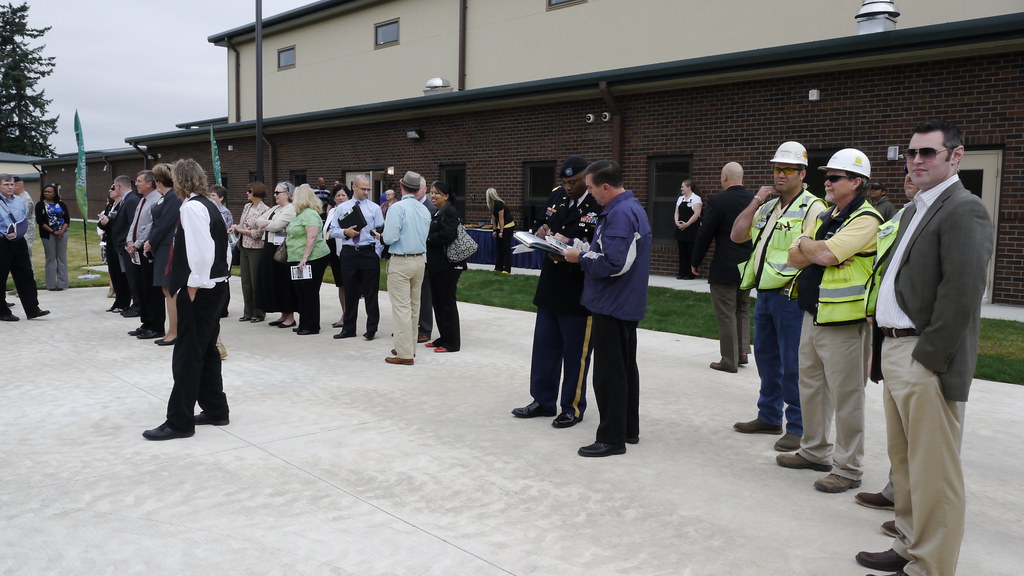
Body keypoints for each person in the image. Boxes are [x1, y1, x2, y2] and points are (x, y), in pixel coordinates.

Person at [855, 120, 993, 576]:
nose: (916, 160)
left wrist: (928, 358)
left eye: (928, 153)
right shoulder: (914, 210)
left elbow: (962, 294)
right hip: (897, 350)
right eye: (912, 153)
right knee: (906, 463)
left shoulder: (963, 209)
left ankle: (931, 565)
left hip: (925, 357)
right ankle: (908, 545)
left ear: (956, 157)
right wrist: (884, 346)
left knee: (935, 471)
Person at [776, 148, 882, 494]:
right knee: (812, 387)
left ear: (856, 182)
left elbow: (825, 254)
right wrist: (812, 247)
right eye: (828, 175)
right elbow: (794, 259)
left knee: (847, 396)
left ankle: (849, 468)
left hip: (845, 322)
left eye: (835, 177)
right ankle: (814, 450)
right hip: (814, 312)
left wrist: (809, 244)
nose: (828, 181)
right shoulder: (828, 217)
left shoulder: (866, 219)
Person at [730, 141, 827, 453]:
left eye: (787, 169)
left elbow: (814, 251)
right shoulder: (769, 206)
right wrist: (757, 198)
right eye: (777, 168)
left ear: (802, 173)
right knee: (767, 360)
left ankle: (798, 428)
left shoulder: (813, 207)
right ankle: (769, 416)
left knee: (794, 365)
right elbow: (737, 234)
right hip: (766, 295)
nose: (780, 174)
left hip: (792, 297)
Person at [563, 160, 652, 457]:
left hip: (613, 303)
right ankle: (628, 428)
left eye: (590, 188)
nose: (589, 194)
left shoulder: (621, 213)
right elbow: (616, 254)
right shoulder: (628, 209)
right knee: (625, 368)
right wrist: (588, 250)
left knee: (608, 373)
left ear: (605, 186)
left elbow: (614, 264)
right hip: (622, 302)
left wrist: (580, 258)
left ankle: (612, 438)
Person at [143, 159, 232, 441]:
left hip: (202, 291)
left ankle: (179, 422)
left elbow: (203, 252)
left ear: (178, 181)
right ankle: (216, 409)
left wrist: (195, 286)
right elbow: (224, 249)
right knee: (206, 351)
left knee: (187, 357)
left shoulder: (192, 207)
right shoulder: (209, 205)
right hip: (217, 287)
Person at [511, 155, 600, 429]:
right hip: (551, 283)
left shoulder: (597, 203)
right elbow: (544, 223)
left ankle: (571, 407)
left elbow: (597, 243)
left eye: (573, 182)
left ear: (587, 177)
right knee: (545, 348)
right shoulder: (557, 197)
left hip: (578, 288)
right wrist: (542, 231)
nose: (568, 187)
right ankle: (543, 400)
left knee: (575, 353)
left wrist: (570, 242)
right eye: (564, 182)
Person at [691, 162, 753, 373]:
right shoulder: (755, 201)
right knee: (742, 308)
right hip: (747, 266)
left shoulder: (718, 201)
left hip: (724, 265)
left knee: (726, 312)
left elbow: (705, 234)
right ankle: (742, 352)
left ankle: (729, 359)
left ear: (724, 177)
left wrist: (695, 261)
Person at [381, 171, 431, 365]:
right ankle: (408, 346)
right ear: (418, 189)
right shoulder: (424, 209)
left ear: (401, 187)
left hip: (401, 260)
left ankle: (404, 353)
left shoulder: (397, 208)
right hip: (419, 260)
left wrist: (382, 236)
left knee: (401, 308)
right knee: (414, 306)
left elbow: (390, 238)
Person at [328, 174, 384, 340]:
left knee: (371, 294)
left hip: (368, 252)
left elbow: (380, 232)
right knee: (350, 292)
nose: (366, 192)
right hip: (349, 253)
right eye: (363, 189)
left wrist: (377, 253)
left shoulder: (374, 208)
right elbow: (332, 230)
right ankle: (349, 328)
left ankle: (371, 329)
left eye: (368, 189)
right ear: (354, 187)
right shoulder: (342, 208)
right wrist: (345, 232)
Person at [425, 181, 467, 353]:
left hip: (448, 266)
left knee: (447, 303)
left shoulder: (450, 212)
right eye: (431, 192)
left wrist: (427, 237)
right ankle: (444, 337)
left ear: (446, 196)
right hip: (436, 265)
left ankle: (452, 343)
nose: (433, 196)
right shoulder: (438, 212)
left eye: (437, 193)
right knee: (438, 302)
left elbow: (448, 235)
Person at [0, 174, 49, 321]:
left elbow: (24, 219)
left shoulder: (19, 201)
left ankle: (32, 309)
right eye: (6, 184)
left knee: (26, 275)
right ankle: (3, 312)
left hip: (19, 242)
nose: (9, 187)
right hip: (2, 242)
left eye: (11, 184)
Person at [144, 163, 182, 346]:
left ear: (159, 181)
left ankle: (175, 331)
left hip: (169, 246)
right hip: (162, 247)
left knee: (170, 290)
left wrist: (150, 242)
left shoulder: (173, 197)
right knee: (166, 290)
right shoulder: (165, 197)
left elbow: (165, 224)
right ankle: (172, 330)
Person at [126, 170, 164, 341]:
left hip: (147, 250)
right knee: (141, 288)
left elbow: (150, 226)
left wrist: (138, 243)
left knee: (151, 290)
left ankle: (156, 326)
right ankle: (146, 323)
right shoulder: (142, 200)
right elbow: (134, 223)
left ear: (149, 183)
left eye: (139, 181)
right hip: (136, 250)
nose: (137, 184)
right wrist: (129, 241)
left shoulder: (157, 200)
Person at [287, 184, 330, 335]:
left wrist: (304, 258)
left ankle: (312, 325)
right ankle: (304, 322)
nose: (292, 199)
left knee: (309, 291)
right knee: (301, 291)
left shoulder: (310, 214)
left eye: (294, 196)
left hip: (312, 258)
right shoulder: (301, 214)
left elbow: (312, 237)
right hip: (298, 259)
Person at [255, 182, 297, 329]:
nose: (275, 195)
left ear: (287, 194)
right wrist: (270, 223)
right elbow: (258, 220)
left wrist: (268, 223)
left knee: (283, 281)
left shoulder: (290, 209)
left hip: (281, 249)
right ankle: (283, 314)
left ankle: (290, 316)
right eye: (274, 192)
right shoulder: (275, 208)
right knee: (273, 281)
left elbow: (275, 226)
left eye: (278, 192)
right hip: (269, 246)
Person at [228, 182, 269, 323]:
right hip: (243, 246)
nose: (247, 193)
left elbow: (259, 233)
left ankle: (259, 312)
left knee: (255, 280)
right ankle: (248, 311)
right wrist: (235, 228)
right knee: (245, 280)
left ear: (257, 192)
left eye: (249, 191)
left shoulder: (265, 210)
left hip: (256, 248)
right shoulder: (247, 206)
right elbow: (242, 224)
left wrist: (242, 230)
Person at [109, 175, 141, 317]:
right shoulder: (125, 200)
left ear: (119, 186)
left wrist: (130, 242)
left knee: (134, 278)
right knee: (129, 276)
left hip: (129, 245)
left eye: (114, 186)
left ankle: (137, 305)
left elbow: (133, 224)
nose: (113, 189)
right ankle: (135, 304)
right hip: (123, 245)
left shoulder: (132, 200)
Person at [98, 181, 130, 313]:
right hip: (109, 242)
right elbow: (102, 225)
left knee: (121, 273)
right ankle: (117, 301)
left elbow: (119, 224)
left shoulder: (122, 204)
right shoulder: (110, 205)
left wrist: (108, 222)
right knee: (113, 272)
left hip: (119, 243)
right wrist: (103, 222)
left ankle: (124, 302)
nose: (110, 191)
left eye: (113, 188)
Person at [322, 184, 349, 328]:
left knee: (348, 285)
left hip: (346, 253)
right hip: (333, 254)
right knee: (340, 285)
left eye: (343, 195)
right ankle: (345, 313)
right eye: (338, 195)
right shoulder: (332, 211)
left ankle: (348, 316)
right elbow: (327, 231)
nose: (340, 198)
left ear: (348, 196)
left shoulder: (350, 210)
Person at [34, 183, 69, 291]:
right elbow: (40, 221)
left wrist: (61, 231)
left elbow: (67, 219)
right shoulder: (40, 205)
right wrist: (54, 231)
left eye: (49, 191)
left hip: (62, 233)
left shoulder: (61, 204)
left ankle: (62, 284)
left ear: (54, 193)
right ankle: (51, 285)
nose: (47, 193)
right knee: (50, 259)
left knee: (62, 258)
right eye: (45, 191)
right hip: (48, 234)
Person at [416, 177, 438, 344]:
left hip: (426, 258)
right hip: (412, 256)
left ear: (425, 190)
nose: (415, 192)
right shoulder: (411, 206)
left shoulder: (430, 208)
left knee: (425, 294)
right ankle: (410, 327)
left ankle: (425, 329)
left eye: (418, 189)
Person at [673, 179, 702, 279]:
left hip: (692, 229)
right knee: (682, 252)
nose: (681, 188)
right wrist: (677, 222)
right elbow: (676, 212)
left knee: (691, 252)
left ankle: (690, 274)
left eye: (683, 186)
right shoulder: (680, 199)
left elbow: (697, 214)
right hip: (681, 229)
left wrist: (687, 224)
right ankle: (681, 273)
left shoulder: (696, 199)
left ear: (689, 187)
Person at [486, 187, 515, 273]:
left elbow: (501, 218)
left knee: (506, 247)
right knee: (498, 247)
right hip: (500, 226)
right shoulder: (492, 204)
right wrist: (494, 230)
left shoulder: (499, 203)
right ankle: (498, 267)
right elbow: (494, 218)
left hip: (508, 226)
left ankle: (507, 269)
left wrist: (501, 231)